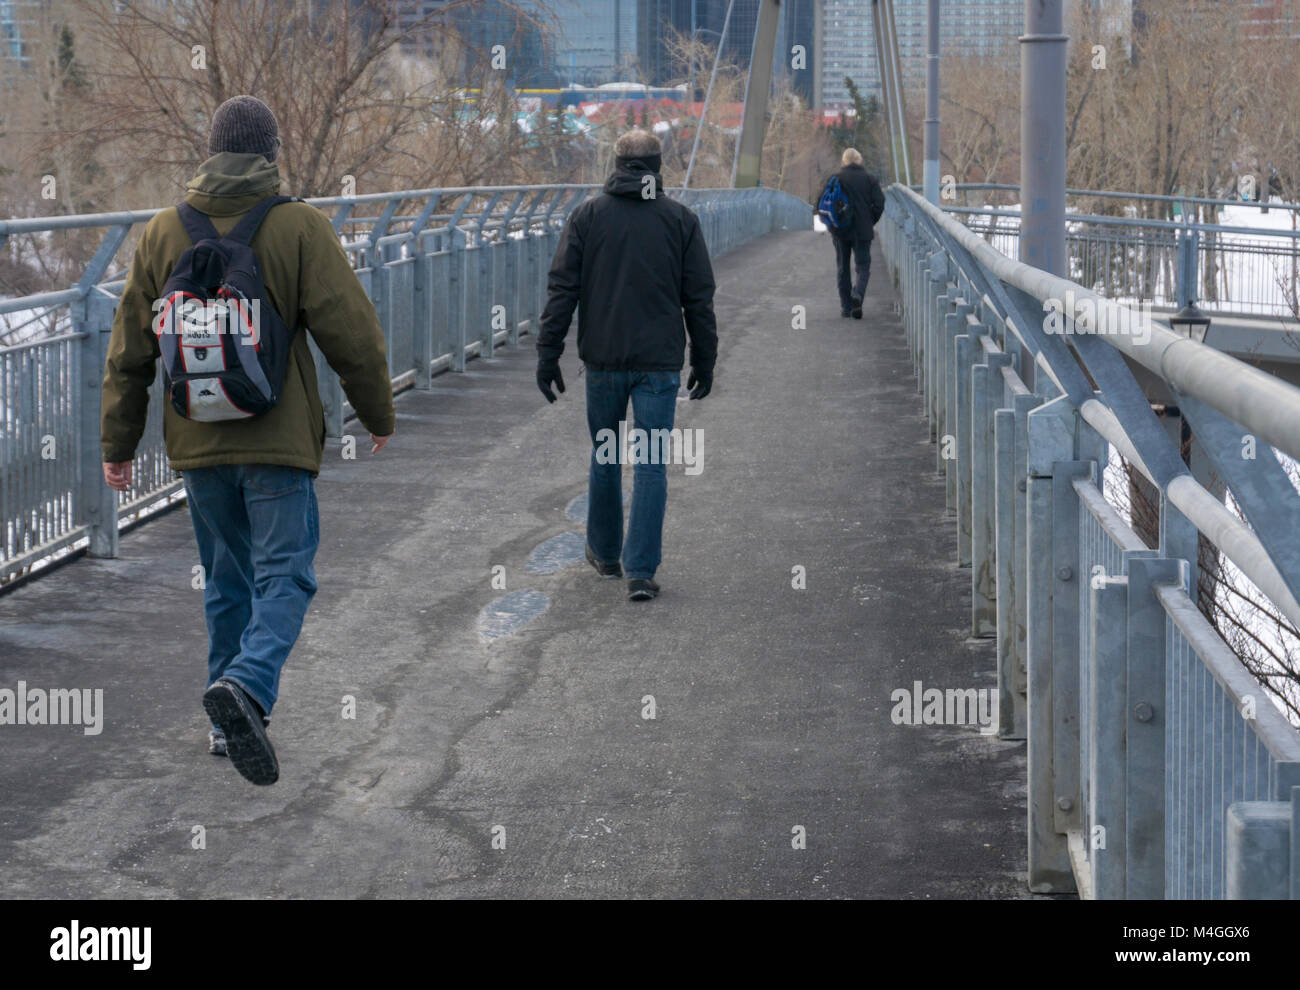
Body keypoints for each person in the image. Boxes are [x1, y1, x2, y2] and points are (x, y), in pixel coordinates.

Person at [100, 96, 395, 785]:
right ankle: (249, 688)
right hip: (277, 442)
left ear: (210, 151)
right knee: (287, 574)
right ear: (271, 153)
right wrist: (376, 414)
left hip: (198, 445)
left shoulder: (163, 231)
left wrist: (118, 445)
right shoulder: (299, 227)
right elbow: (351, 331)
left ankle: (223, 723)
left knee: (228, 581)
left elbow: (128, 354)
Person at [535, 128, 717, 602]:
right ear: (659, 168)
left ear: (614, 166)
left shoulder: (587, 217)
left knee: (606, 454)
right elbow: (698, 298)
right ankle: (640, 570)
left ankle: (605, 554)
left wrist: (548, 353)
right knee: (652, 465)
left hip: (604, 360)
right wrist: (704, 358)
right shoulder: (680, 220)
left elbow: (562, 290)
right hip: (657, 364)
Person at [825, 148, 886, 319]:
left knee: (843, 268)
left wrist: (832, 226)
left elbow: (821, 204)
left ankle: (846, 307)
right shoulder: (870, 180)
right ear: (860, 160)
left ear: (843, 161)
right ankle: (857, 296)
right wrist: (869, 220)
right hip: (862, 231)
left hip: (840, 230)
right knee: (863, 267)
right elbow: (880, 204)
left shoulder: (835, 179)